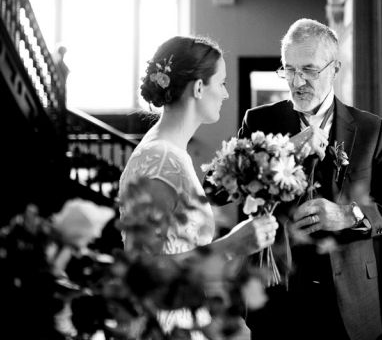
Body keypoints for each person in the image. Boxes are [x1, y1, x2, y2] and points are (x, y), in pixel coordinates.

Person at [238, 19, 382, 340]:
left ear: (335, 68)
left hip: (351, 305)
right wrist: (280, 154)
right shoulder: (258, 121)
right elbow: (227, 192)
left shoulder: (369, 129)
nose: (297, 82)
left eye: (309, 70)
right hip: (277, 301)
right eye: (289, 69)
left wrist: (349, 214)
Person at [118, 35, 278, 335]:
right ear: (199, 87)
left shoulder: (169, 152)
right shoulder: (161, 159)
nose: (226, 94)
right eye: (222, 83)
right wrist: (231, 244)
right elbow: (142, 271)